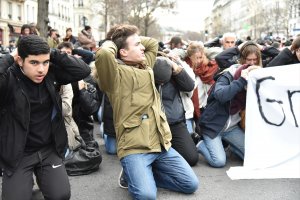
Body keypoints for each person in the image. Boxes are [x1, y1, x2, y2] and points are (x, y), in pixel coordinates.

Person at [95, 24, 199, 199]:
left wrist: (131, 38)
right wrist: (116, 41)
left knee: (190, 184)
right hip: (134, 147)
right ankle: (134, 176)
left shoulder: (146, 65)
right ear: (122, 52)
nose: (142, 47)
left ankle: (140, 176)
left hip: (160, 143)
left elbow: (151, 43)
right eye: (136, 45)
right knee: (146, 195)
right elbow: (105, 53)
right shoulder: (113, 76)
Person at [0, 35, 91, 199]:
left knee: (61, 195)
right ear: (20, 61)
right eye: (34, 63)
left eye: (45, 62)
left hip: (48, 149)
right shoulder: (9, 77)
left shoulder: (50, 74)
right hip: (19, 153)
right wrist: (9, 57)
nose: (41, 69)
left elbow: (84, 70)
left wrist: (52, 53)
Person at [196, 41, 262, 167]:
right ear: (242, 60)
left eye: (255, 60)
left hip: (231, 127)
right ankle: (202, 145)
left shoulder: (256, 77)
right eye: (249, 60)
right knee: (219, 161)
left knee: (252, 157)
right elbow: (221, 95)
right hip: (213, 125)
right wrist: (241, 80)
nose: (252, 64)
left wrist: (263, 47)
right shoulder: (228, 74)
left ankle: (231, 147)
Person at [153, 56, 199, 166]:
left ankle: (170, 148)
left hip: (175, 122)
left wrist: (176, 68)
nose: (162, 84)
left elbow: (189, 86)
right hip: (153, 124)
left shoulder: (174, 71)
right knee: (152, 158)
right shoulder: (144, 71)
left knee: (192, 158)